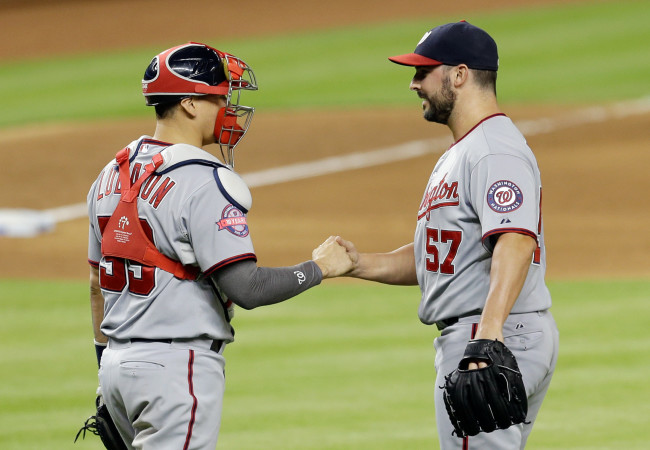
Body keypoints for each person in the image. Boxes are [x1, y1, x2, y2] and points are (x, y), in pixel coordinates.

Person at [86, 42, 352, 449]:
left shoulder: (110, 173)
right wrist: (320, 268)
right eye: (220, 97)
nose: (229, 108)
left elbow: (95, 283)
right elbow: (248, 288)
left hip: (116, 369)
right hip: (174, 373)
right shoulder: (203, 179)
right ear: (191, 104)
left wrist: (106, 366)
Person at [336, 21, 559, 449]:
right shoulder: (464, 151)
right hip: (491, 329)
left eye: (423, 72)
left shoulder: (494, 150)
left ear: (459, 75)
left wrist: (487, 337)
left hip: (488, 331)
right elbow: (440, 257)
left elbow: (515, 239)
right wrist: (361, 263)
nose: (413, 83)